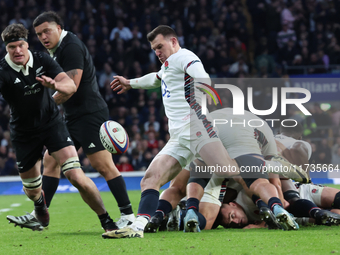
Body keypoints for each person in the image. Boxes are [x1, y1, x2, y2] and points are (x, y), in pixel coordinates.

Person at [102, 25, 242, 239]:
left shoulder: (184, 56)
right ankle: (138, 227)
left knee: (229, 171)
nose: (157, 52)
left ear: (174, 41)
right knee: (149, 179)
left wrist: (203, 99)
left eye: (160, 46)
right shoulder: (168, 66)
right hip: (178, 137)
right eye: (154, 49)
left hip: (196, 129)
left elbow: (202, 76)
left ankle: (275, 178)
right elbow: (155, 79)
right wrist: (130, 83)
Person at [8, 11, 135, 230]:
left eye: (47, 31)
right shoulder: (55, 50)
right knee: (51, 160)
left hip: (89, 114)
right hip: (71, 117)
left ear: (59, 28)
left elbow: (71, 88)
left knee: (103, 166)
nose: (43, 37)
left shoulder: (71, 47)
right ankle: (39, 214)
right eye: (39, 34)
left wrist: (42, 108)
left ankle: (128, 215)